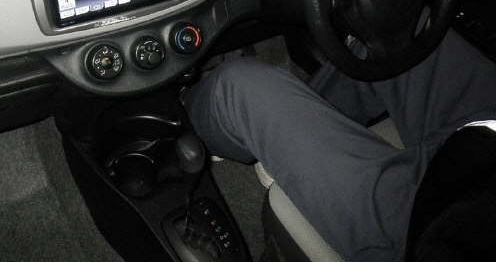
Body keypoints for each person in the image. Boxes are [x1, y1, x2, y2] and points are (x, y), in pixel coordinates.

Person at [185, 30, 496, 262]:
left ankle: (192, 124)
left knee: (236, 87)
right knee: (401, 36)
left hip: (443, 221)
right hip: (482, 138)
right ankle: (289, 145)